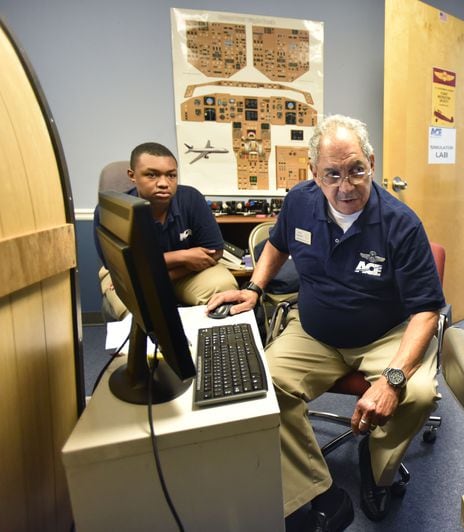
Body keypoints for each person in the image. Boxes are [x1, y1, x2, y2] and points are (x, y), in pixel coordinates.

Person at [207, 115, 445, 531]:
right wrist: (256, 289)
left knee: (419, 393)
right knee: (261, 386)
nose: (346, 186)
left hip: (384, 335)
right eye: (332, 174)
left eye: (356, 170)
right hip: (314, 332)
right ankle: (317, 489)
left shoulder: (401, 224)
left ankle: (377, 468)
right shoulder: (300, 201)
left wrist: (392, 379)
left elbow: (426, 311)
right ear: (314, 174)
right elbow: (276, 246)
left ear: (371, 162)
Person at [94, 142, 237, 319]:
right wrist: (183, 256)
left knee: (224, 288)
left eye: (171, 175)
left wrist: (161, 275)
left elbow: (214, 252)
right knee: (132, 311)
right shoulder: (110, 211)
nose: (163, 183)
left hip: (181, 272)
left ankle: (212, 345)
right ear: (132, 176)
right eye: (151, 175)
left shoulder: (191, 198)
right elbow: (121, 266)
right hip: (132, 275)